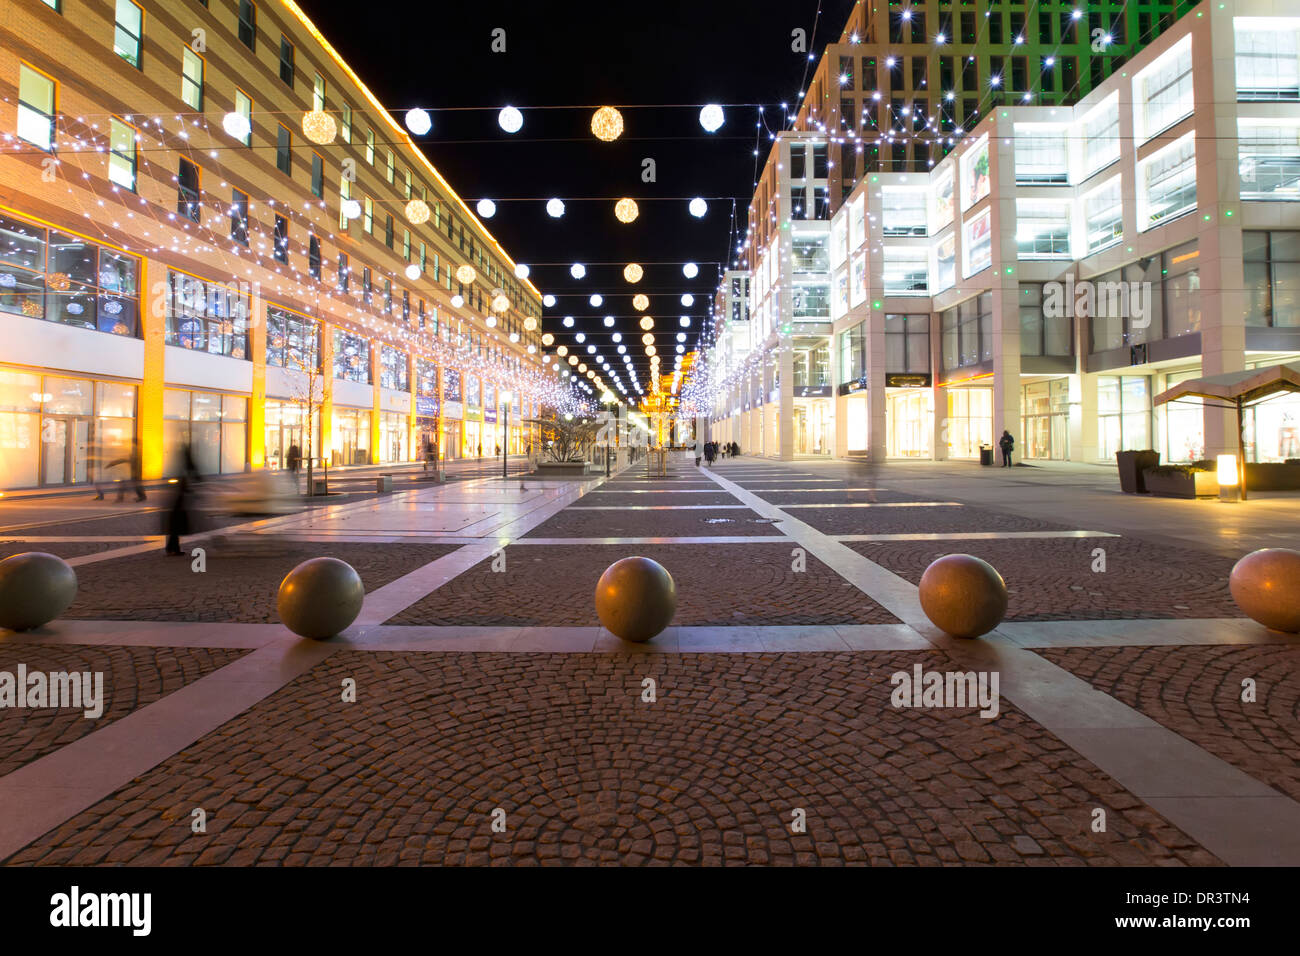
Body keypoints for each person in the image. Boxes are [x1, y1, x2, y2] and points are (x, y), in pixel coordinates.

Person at [164, 444, 201, 556]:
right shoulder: (185, 465)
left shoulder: (179, 464)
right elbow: (192, 478)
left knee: (175, 524)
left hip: (178, 500)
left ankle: (172, 547)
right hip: (179, 501)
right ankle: (173, 547)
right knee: (176, 523)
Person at [107, 437, 147, 502]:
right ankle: (141, 496)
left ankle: (141, 496)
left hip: (134, 472)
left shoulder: (135, 450)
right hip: (133, 471)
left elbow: (127, 460)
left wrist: (114, 463)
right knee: (130, 484)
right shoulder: (136, 449)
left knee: (132, 484)